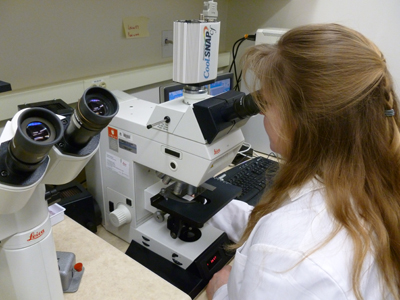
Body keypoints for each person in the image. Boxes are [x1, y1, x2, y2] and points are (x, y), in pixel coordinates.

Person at [206, 23, 400, 300]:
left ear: (301, 122)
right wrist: (209, 204)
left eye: (267, 103)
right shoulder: (370, 179)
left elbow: (283, 243)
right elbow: (280, 221)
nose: (262, 116)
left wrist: (220, 292)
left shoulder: (289, 261)